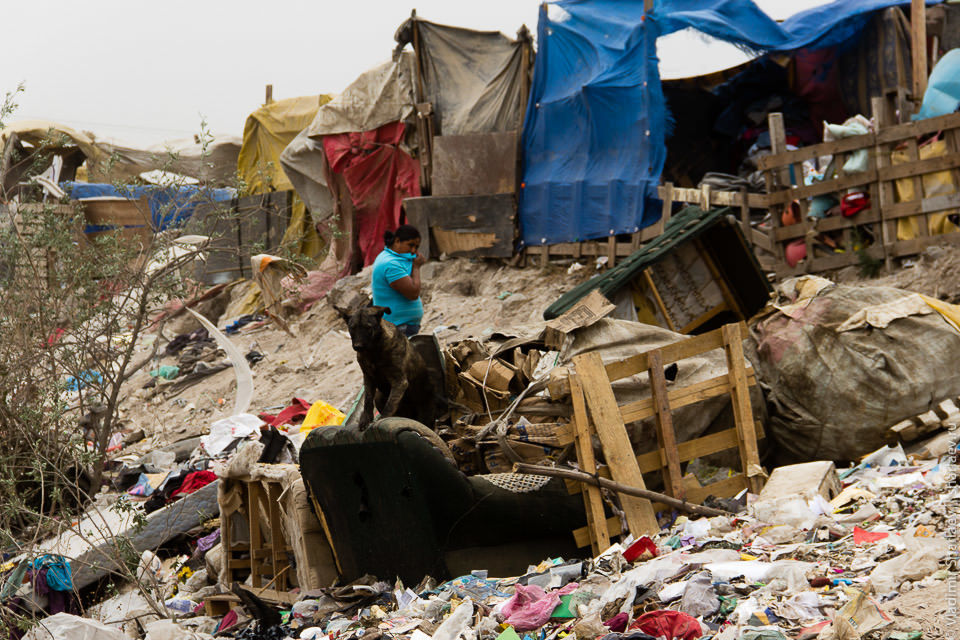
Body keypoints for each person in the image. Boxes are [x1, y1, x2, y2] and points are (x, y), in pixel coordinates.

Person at [371, 224, 426, 337]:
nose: (413, 251)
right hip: (399, 327)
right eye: (410, 245)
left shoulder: (391, 258)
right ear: (397, 241)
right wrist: (416, 267)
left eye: (416, 247)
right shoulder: (391, 264)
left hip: (401, 326)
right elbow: (413, 293)